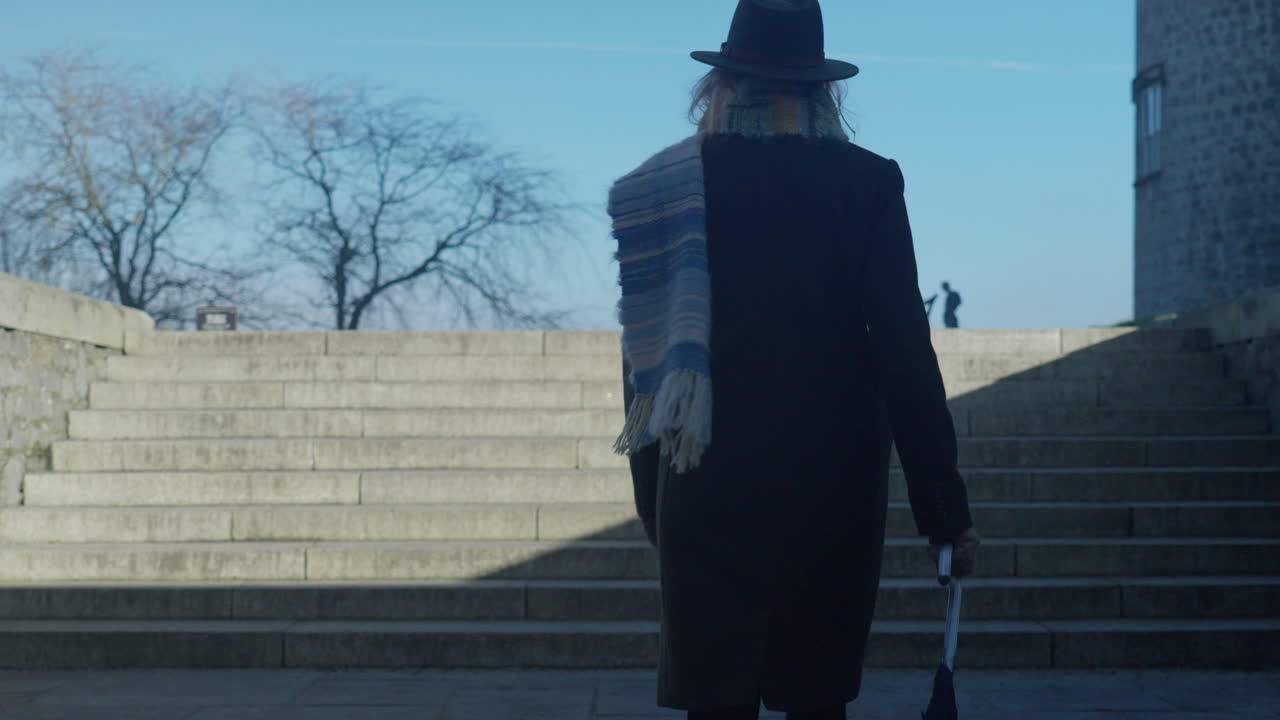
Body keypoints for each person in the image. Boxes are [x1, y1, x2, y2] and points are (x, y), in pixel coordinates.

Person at [609, 2, 980, 718]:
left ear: (720, 83)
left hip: (704, 481)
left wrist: (654, 496)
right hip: (831, 489)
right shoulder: (867, 183)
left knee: (715, 703)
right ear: (822, 89)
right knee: (816, 702)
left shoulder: (666, 187)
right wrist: (944, 513)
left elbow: (644, 362)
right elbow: (905, 351)